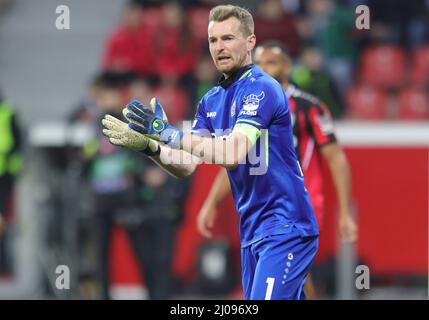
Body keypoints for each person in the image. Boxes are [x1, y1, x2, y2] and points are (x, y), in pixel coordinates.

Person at [102, 4, 319, 300]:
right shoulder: (211, 101)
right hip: (253, 232)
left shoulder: (262, 89)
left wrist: (170, 133)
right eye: (213, 40)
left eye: (228, 38)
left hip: (285, 226)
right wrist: (150, 147)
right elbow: (186, 164)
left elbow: (231, 154)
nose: (220, 47)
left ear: (250, 42)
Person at [196, 41, 358, 299]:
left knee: (295, 277)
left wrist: (345, 213)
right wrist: (212, 202)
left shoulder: (308, 107)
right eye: (259, 63)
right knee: (292, 281)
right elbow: (236, 158)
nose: (263, 69)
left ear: (287, 67)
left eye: (270, 62)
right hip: (261, 205)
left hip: (297, 203)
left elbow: (336, 159)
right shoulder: (246, 105)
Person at [0, 91, 22, 273]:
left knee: (2, 222)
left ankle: (4, 263)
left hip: (4, 177)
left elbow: (15, 144)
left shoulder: (8, 112)